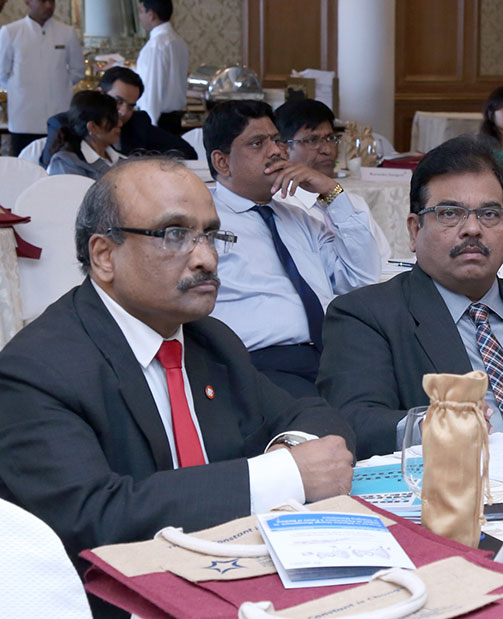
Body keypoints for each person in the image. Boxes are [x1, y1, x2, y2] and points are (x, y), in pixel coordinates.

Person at [0, 157, 356, 581]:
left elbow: (313, 414)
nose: (206, 258)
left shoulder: (210, 340)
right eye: (174, 235)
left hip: (233, 571)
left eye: (211, 235)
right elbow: (92, 517)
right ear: (104, 256)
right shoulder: (36, 369)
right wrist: (281, 475)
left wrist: (289, 452)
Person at [318, 137, 503, 459]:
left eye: (489, 214)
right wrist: (433, 426)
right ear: (414, 230)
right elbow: (354, 423)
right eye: (450, 213)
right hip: (457, 478)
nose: (472, 229)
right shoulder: (365, 315)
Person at [205, 100, 381, 398]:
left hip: (332, 355)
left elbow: (360, 279)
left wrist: (331, 193)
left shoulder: (299, 217)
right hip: (261, 363)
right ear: (222, 163)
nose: (275, 151)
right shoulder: (203, 222)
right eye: (257, 143)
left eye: (276, 140)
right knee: (337, 418)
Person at [274, 98, 391, 262]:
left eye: (330, 138)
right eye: (312, 140)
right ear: (283, 149)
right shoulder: (281, 208)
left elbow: (384, 261)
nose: (327, 150)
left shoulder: (354, 204)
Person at [40, 66, 197, 167]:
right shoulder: (64, 123)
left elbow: (186, 152)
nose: (123, 112)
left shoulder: (137, 122)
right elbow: (50, 168)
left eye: (130, 106)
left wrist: (144, 166)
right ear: (99, 93)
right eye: (118, 101)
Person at [0, 0, 86, 156]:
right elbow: (2, 73)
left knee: (60, 164)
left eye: (51, 1)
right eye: (42, 1)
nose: (48, 6)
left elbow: (78, 71)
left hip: (58, 116)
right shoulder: (10, 32)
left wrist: (59, 85)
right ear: (28, 2)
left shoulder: (67, 32)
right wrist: (19, 89)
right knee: (24, 164)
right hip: (23, 118)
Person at [135, 0, 189, 134]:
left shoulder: (156, 45)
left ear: (151, 15)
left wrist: (149, 127)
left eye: (141, 12)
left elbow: (152, 89)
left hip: (158, 121)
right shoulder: (178, 41)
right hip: (174, 119)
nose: (139, 16)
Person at [47, 91, 123, 180]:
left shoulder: (121, 159)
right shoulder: (66, 163)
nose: (120, 124)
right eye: (112, 119)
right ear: (92, 127)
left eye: (118, 117)